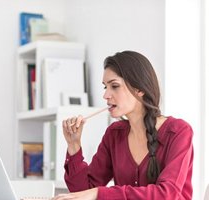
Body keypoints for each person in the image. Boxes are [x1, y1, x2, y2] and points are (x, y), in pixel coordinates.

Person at [53, 51, 193, 200]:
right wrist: (74, 146)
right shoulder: (114, 134)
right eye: (105, 87)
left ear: (139, 89)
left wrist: (99, 193)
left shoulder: (178, 132)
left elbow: (167, 195)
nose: (106, 95)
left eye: (114, 86)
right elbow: (83, 192)